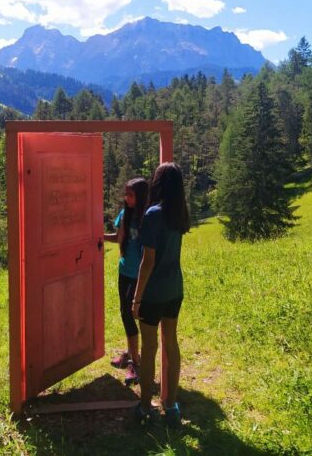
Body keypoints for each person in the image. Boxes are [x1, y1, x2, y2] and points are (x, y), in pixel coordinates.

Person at [131, 162, 190, 428]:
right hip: (174, 289)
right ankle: (171, 405)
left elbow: (148, 261)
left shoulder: (154, 214)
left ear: (159, 182)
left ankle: (145, 406)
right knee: (171, 344)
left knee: (149, 348)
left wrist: (137, 299)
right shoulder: (180, 212)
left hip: (153, 293)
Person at [104, 178, 149, 386]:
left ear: (140, 196)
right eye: (126, 194)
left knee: (132, 315)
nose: (126, 198)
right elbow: (119, 238)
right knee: (124, 313)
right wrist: (100, 236)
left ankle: (135, 362)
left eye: (130, 195)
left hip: (139, 274)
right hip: (124, 271)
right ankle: (131, 353)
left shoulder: (148, 218)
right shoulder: (125, 214)